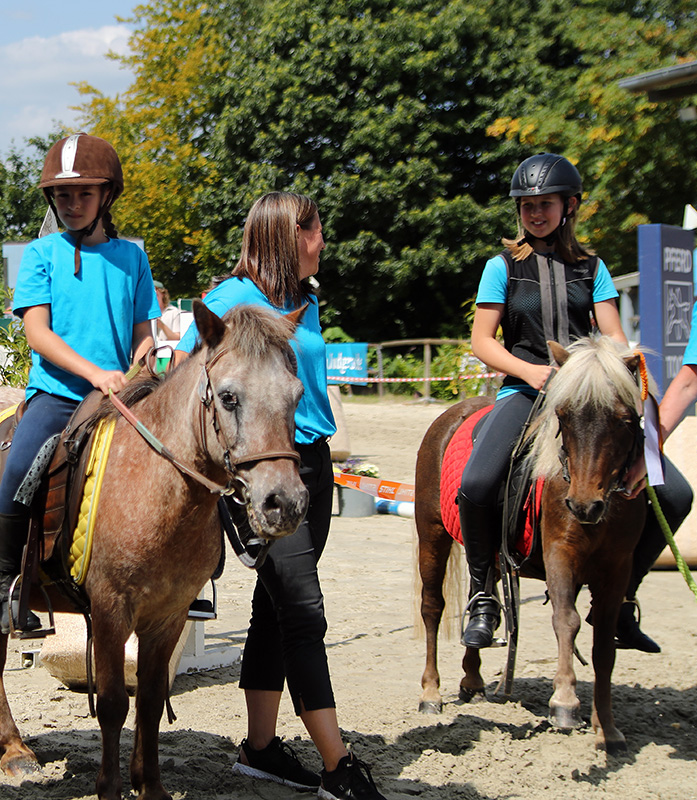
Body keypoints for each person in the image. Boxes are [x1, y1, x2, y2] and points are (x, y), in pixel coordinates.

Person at [173, 192, 388, 800]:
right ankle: (337, 765)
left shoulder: (307, 301)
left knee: (273, 607)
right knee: (303, 608)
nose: (323, 243)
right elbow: (198, 389)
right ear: (289, 234)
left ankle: (261, 750)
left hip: (310, 465)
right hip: (258, 476)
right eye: (317, 232)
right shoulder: (227, 302)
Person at [458, 153, 690, 653]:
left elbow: (613, 336)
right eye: (527, 205)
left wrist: (627, 376)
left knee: (677, 494)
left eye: (545, 204)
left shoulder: (593, 267)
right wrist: (531, 371)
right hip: (527, 389)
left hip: (588, 400)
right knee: (476, 483)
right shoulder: (501, 267)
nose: (535, 213)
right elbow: (483, 341)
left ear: (569, 206)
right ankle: (482, 593)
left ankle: (623, 601)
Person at [0, 132, 158, 635]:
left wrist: (143, 363)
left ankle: (189, 580)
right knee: (15, 476)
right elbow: (37, 333)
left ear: (106, 196)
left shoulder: (133, 258)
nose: (72, 204)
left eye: (83, 193)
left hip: (124, 394)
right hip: (60, 396)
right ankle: (8, 592)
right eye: (63, 195)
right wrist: (94, 375)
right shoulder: (40, 255)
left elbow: (143, 332)